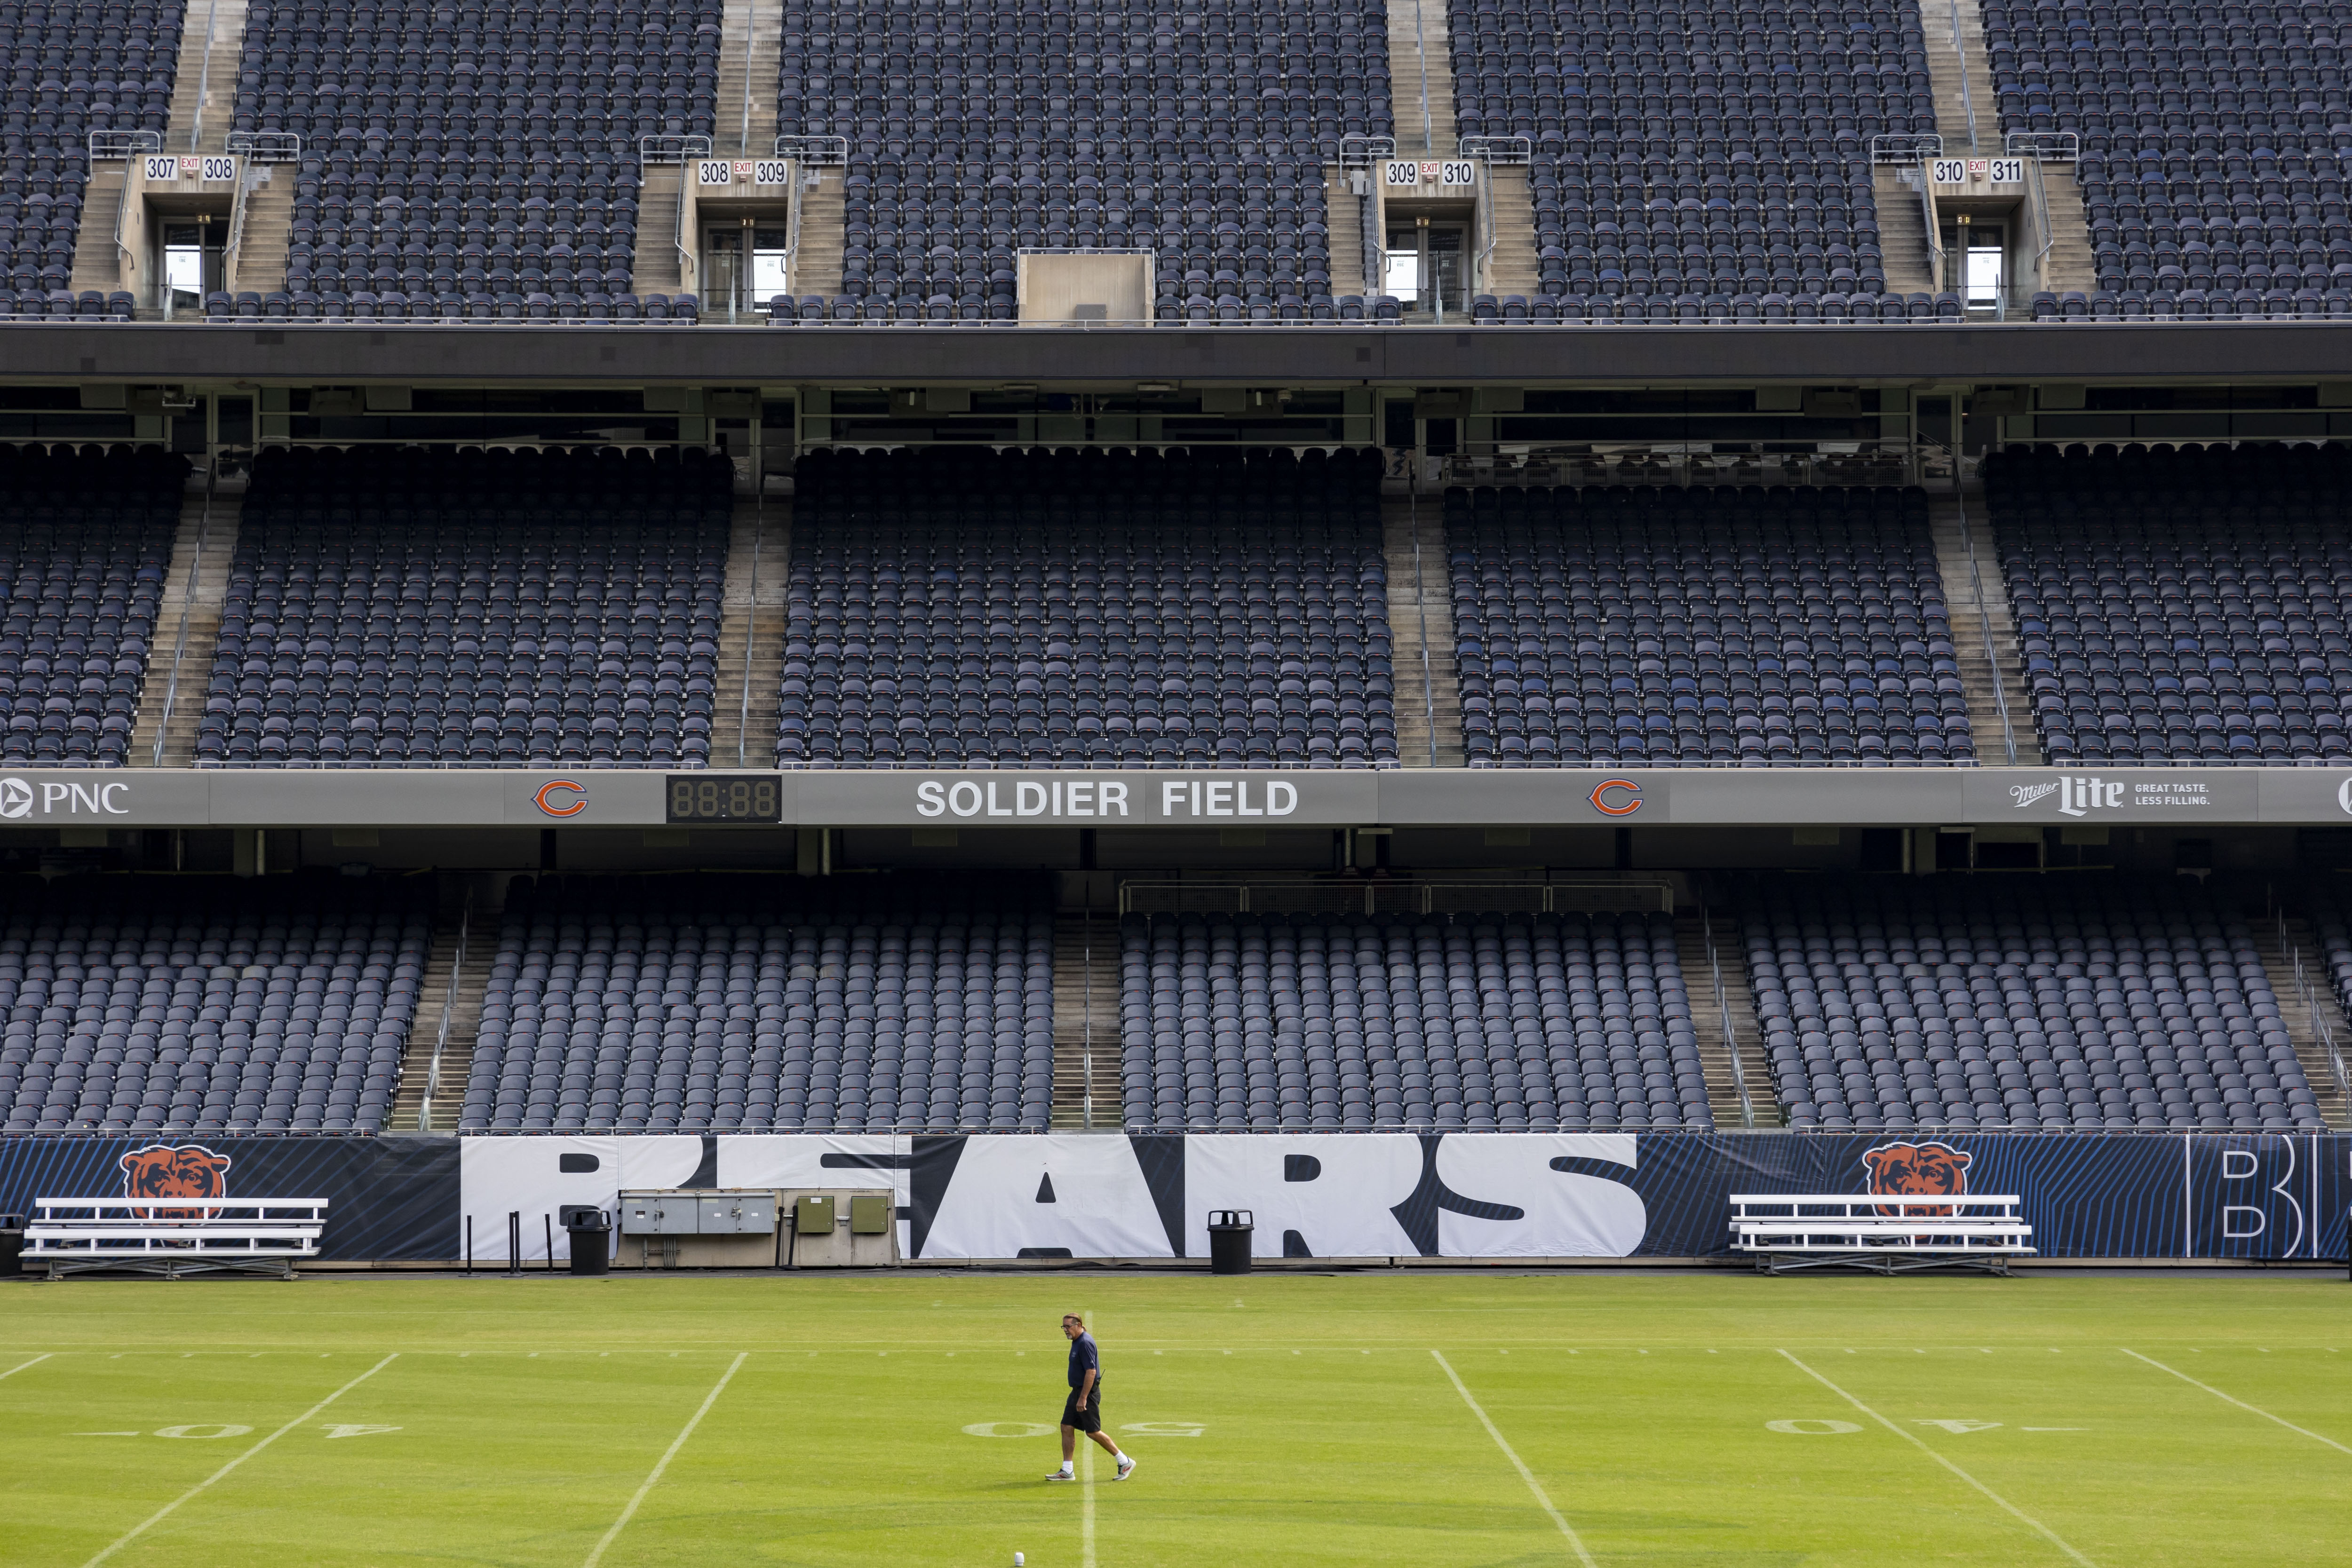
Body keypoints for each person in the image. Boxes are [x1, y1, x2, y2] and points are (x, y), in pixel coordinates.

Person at [1048, 1313, 1135, 1482]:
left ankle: (1125, 1462)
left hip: (1086, 1393)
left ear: (1079, 1325)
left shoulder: (1085, 1343)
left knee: (1093, 1432)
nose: (1065, 1330)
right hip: (1077, 1392)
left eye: (1068, 1327)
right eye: (1063, 1327)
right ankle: (1067, 1470)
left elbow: (1091, 1372)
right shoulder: (1077, 1341)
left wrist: (1083, 1398)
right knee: (1066, 1426)